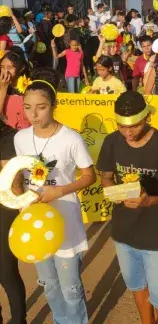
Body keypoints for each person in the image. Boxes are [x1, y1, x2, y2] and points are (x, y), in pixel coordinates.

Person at [14, 70, 96, 324]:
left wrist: (59, 191)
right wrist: (19, 199)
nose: (34, 115)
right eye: (28, 108)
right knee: (48, 283)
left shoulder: (71, 138)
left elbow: (88, 177)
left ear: (54, 105)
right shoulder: (20, 138)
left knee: (71, 288)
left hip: (65, 222)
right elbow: (18, 175)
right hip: (35, 222)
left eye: (41, 107)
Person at [98, 91, 158, 324]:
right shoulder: (111, 142)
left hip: (155, 236)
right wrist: (115, 193)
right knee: (137, 288)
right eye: (122, 127)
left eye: (134, 126)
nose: (128, 133)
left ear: (146, 118)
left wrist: (150, 201)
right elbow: (106, 177)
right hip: (123, 233)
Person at [0, 120, 27, 324]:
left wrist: (22, 214)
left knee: (6, 271)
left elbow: (15, 183)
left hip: (5, 208)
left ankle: (19, 320)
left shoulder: (9, 137)